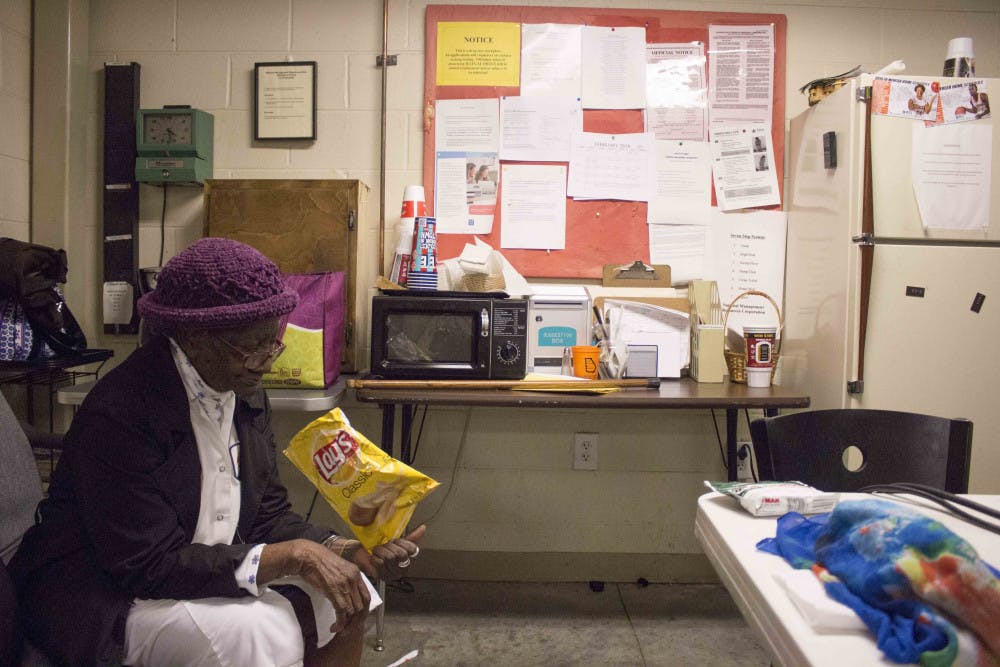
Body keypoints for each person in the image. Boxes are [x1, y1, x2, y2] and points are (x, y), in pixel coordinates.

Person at [9, 238, 424, 666]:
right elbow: (147, 565)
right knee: (260, 633)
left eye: (273, 342)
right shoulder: (122, 412)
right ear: (193, 336)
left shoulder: (243, 390)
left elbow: (266, 514)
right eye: (252, 347)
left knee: (350, 592)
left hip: (199, 564)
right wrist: (291, 556)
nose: (268, 362)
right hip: (106, 591)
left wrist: (345, 550)